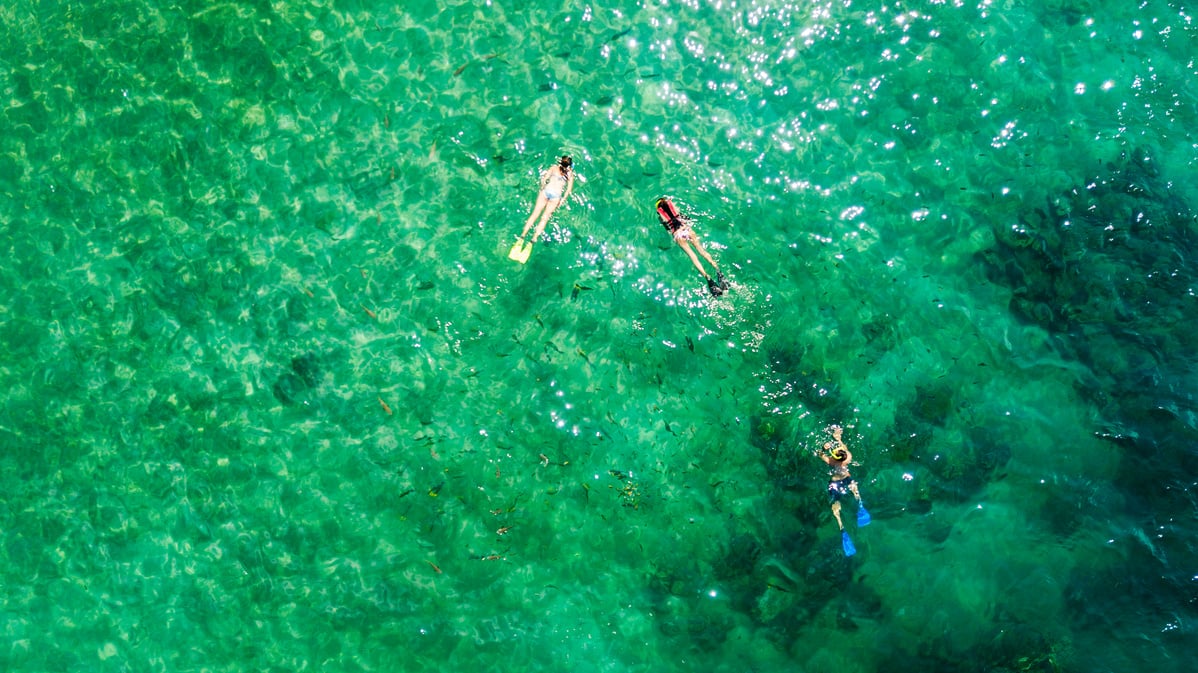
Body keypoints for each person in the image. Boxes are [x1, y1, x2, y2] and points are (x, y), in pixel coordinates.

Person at [654, 197, 728, 296]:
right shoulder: (674, 207)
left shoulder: (661, 216)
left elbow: (668, 228)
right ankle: (719, 272)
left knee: (693, 256)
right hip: (687, 229)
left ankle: (708, 279)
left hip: (678, 234)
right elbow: (685, 218)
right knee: (702, 251)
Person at [509, 156, 575, 263]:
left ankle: (522, 237)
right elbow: (568, 191)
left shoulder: (554, 167)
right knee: (544, 218)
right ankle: (533, 240)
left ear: (560, 162)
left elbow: (544, 179)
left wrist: (542, 186)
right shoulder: (569, 175)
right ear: (569, 166)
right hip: (556, 196)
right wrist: (562, 200)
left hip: (546, 191)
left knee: (535, 214)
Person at [815, 424, 868, 533]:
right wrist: (839, 439)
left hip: (835, 483)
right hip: (847, 478)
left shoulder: (831, 462)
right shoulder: (848, 457)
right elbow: (844, 448)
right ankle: (860, 505)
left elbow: (819, 454)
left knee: (836, 503)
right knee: (854, 488)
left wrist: (823, 448)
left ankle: (840, 524)